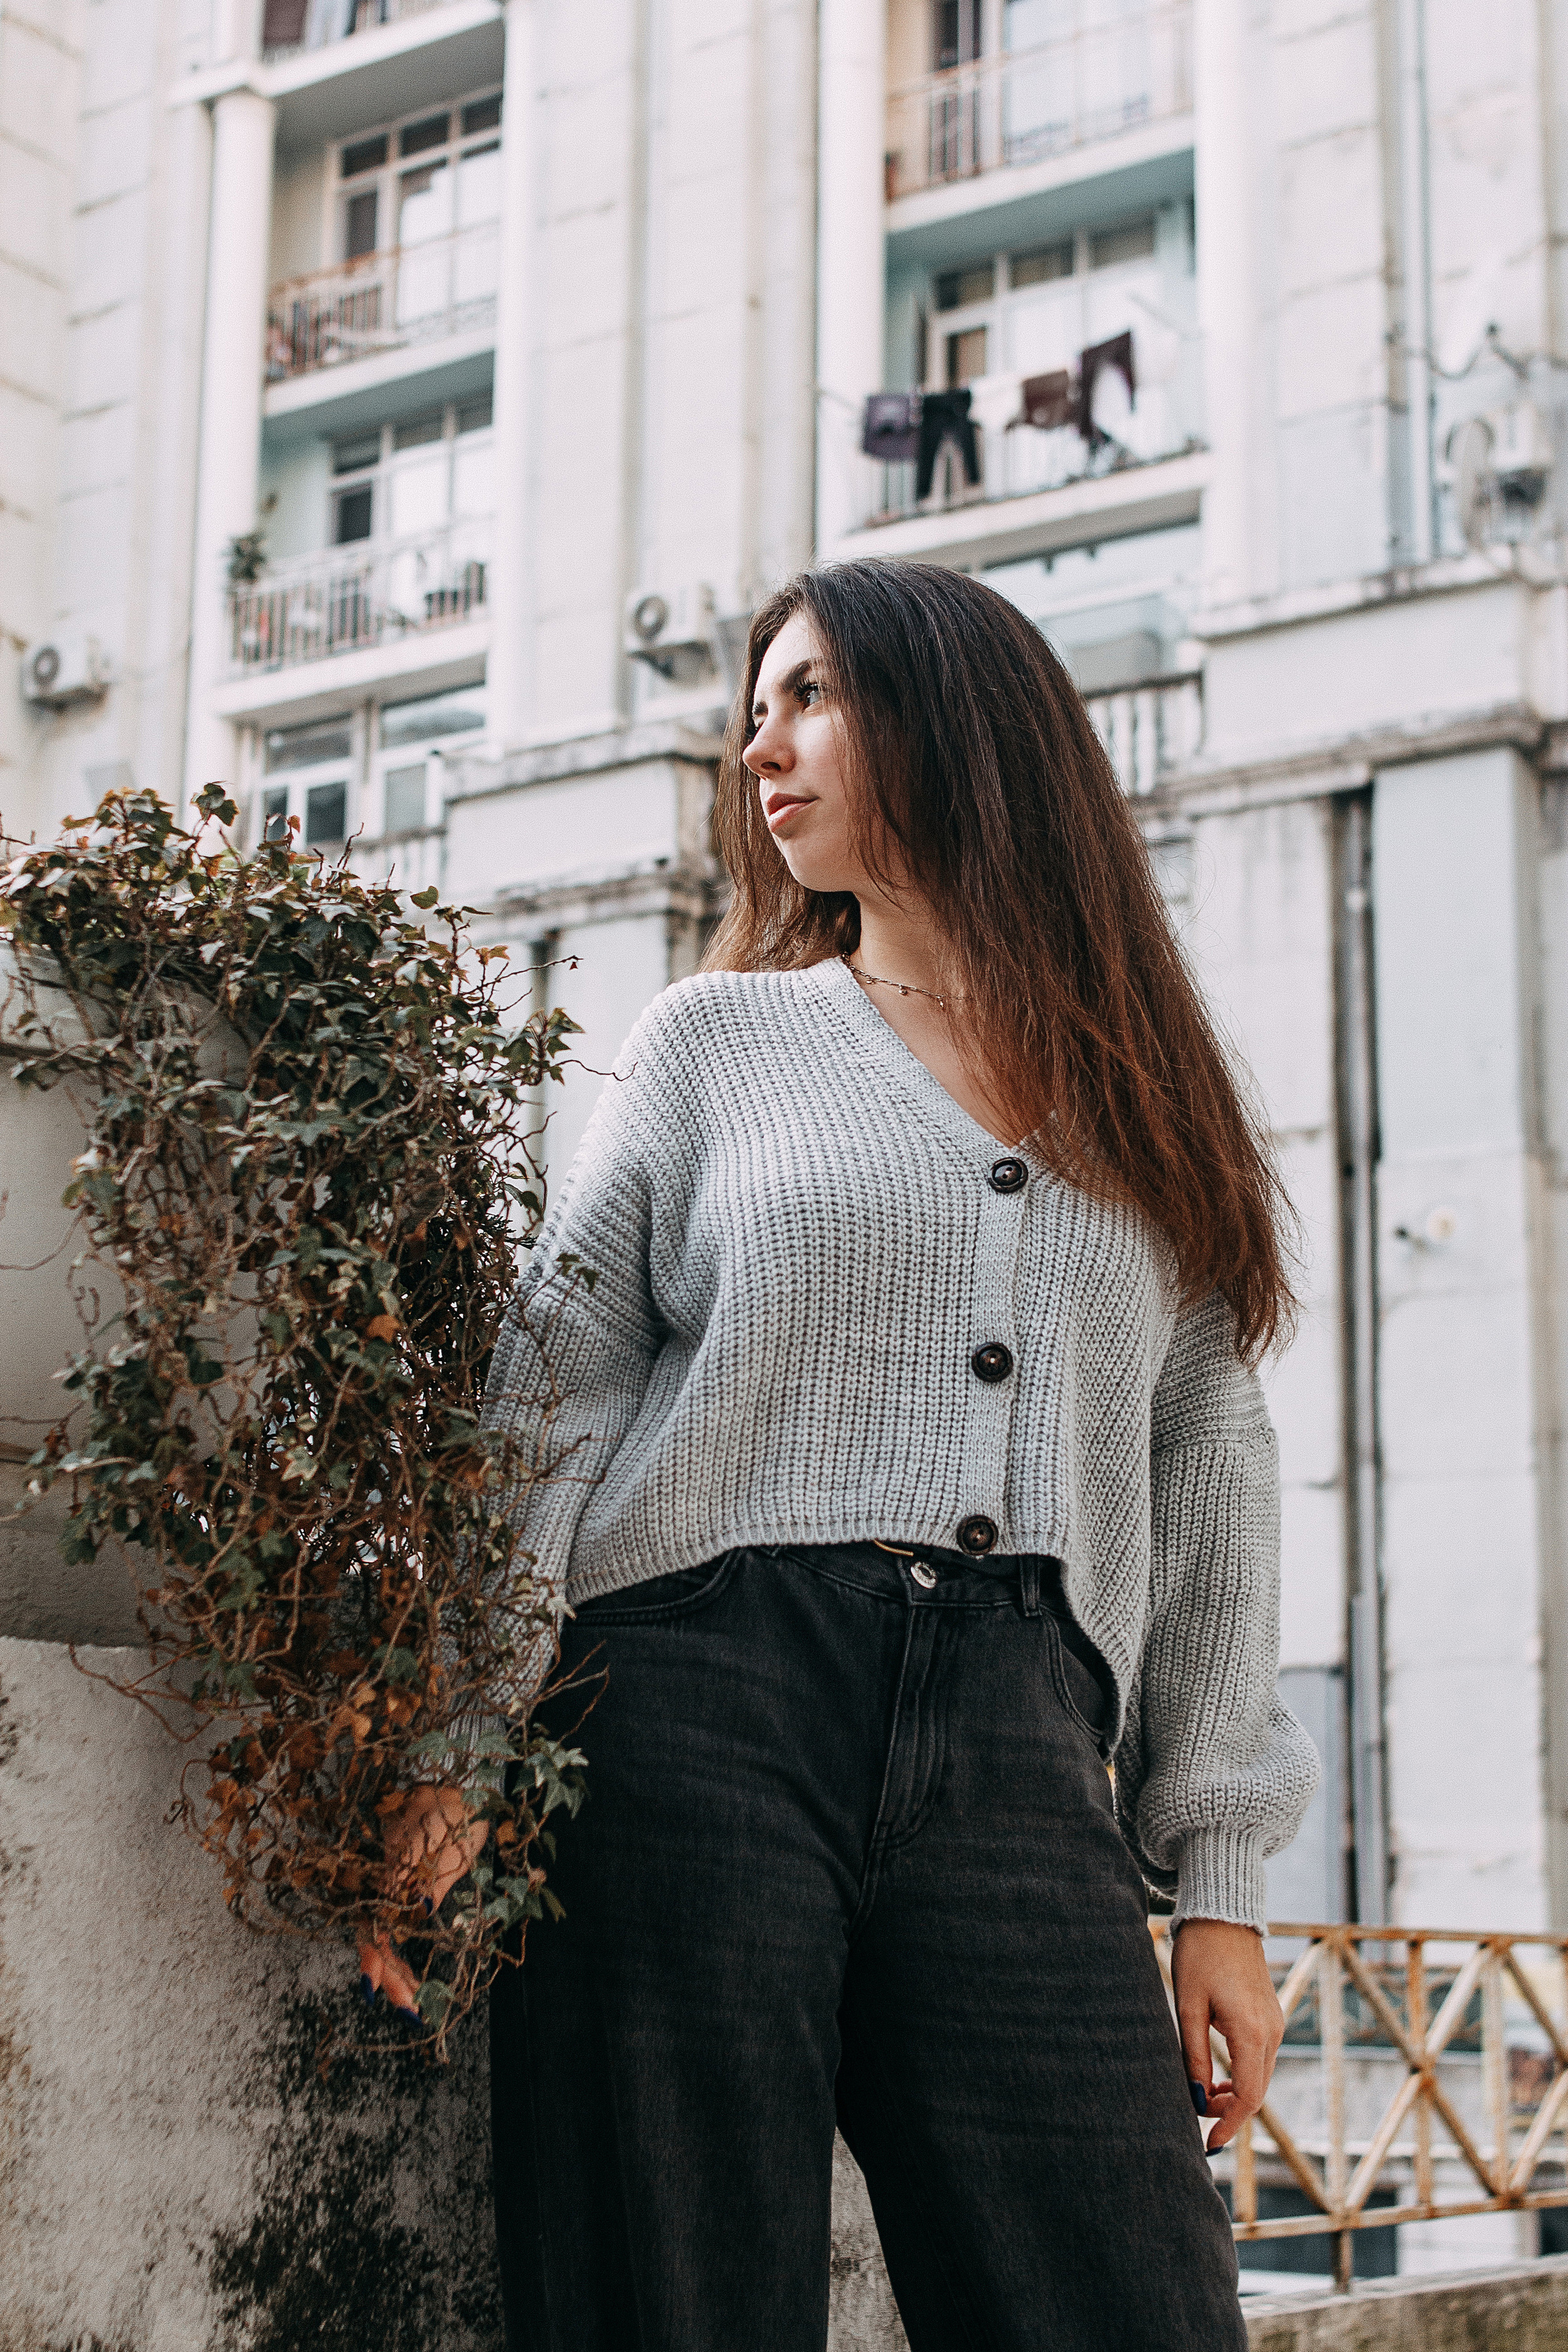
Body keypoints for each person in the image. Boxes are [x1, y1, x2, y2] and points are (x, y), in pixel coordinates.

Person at [363, 558, 1319, 2350]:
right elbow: (550, 1390)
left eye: (808, 696)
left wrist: (1225, 1897)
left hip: (1034, 1747)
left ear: (956, 717)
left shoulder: (1145, 1097)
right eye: (751, 709)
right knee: (667, 2292)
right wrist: (460, 1728)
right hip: (687, 1709)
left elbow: (1211, 1478)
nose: (760, 749)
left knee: (1129, 2300)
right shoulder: (714, 1044)